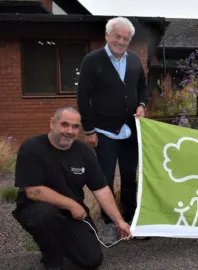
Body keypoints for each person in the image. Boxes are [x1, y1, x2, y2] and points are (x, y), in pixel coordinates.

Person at [11, 106, 131, 270]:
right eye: (64, 125)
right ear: (52, 123)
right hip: (37, 209)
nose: (70, 131)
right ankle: (51, 256)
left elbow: (101, 189)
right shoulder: (32, 148)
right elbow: (33, 191)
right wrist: (72, 205)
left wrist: (119, 222)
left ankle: (60, 242)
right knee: (44, 217)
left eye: (75, 127)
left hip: (71, 214)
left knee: (91, 259)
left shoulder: (83, 151)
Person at [76, 16, 148, 244]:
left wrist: (142, 105)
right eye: (117, 36)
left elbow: (142, 89)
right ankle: (108, 224)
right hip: (104, 131)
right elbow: (83, 97)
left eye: (125, 38)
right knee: (104, 178)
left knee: (129, 177)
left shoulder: (135, 60)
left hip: (130, 132)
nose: (121, 41)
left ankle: (130, 220)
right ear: (107, 36)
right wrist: (88, 129)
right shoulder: (92, 60)